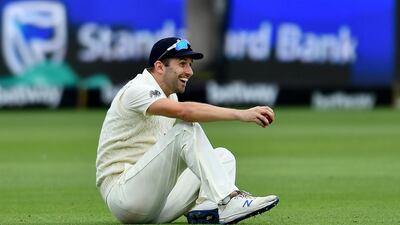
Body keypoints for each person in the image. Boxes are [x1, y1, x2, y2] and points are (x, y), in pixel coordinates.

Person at [96, 37, 279, 224]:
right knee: (185, 130)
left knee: (223, 157)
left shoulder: (171, 96)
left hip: (155, 202)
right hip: (124, 197)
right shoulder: (138, 89)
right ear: (159, 67)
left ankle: (205, 211)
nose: (189, 71)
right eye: (182, 64)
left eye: (190, 65)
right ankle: (228, 200)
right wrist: (241, 114)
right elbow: (186, 112)